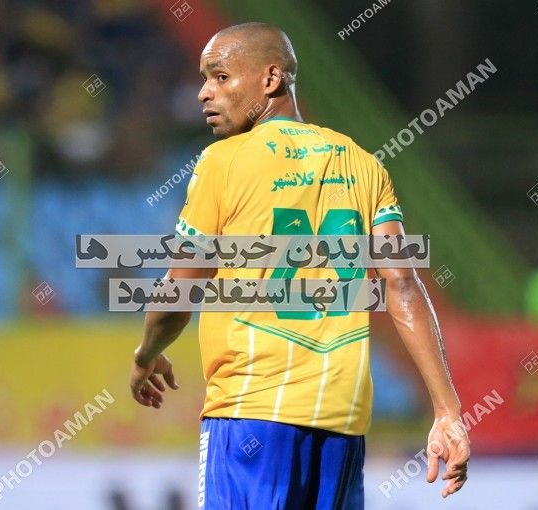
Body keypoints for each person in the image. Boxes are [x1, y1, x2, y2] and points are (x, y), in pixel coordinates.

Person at [129, 22, 470, 509]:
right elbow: (402, 285)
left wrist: (147, 354)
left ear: (271, 79)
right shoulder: (363, 164)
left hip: (251, 412)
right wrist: (447, 410)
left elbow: (179, 291)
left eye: (220, 76)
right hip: (341, 424)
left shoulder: (222, 162)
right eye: (205, 79)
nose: (204, 92)